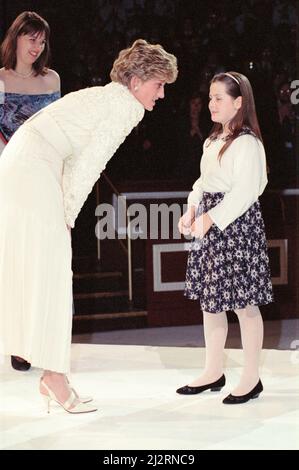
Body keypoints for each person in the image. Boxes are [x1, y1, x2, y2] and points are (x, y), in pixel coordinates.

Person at [0, 39, 178, 413]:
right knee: (53, 272)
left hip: (26, 160)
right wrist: (66, 214)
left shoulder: (112, 97)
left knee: (45, 270)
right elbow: (89, 164)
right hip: (32, 164)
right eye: (158, 85)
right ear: (136, 81)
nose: (161, 95)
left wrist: (62, 208)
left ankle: (52, 374)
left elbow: (74, 156)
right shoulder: (125, 106)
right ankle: (54, 378)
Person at [176, 71, 273, 404]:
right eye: (210, 97)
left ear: (238, 102)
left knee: (245, 305)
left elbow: (247, 191)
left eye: (219, 98)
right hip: (212, 223)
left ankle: (251, 378)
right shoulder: (213, 139)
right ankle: (213, 371)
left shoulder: (247, 142)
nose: (211, 103)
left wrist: (209, 219)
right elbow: (203, 183)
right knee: (211, 302)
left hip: (238, 227)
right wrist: (191, 210)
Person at [0, 11, 60, 371]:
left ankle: (40, 339)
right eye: (30, 38)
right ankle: (18, 342)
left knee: (42, 260)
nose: (36, 46)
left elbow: (57, 132)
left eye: (42, 40)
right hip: (10, 177)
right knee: (15, 261)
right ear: (16, 39)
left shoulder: (52, 79)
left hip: (45, 176)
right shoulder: (1, 80)